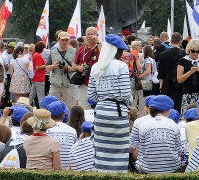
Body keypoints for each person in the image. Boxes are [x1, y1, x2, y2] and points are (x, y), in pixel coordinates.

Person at [88, 34, 132, 172]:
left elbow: (91, 96)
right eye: (121, 51)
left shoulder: (96, 67)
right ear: (115, 50)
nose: (122, 54)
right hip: (117, 111)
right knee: (119, 149)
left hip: (101, 111)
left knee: (101, 149)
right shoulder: (121, 66)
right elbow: (126, 94)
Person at [134, 95, 181, 174]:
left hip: (147, 169)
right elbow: (178, 150)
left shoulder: (143, 125)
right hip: (171, 169)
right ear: (166, 110)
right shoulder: (174, 125)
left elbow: (141, 150)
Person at [177, 40, 199, 114]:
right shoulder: (182, 61)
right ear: (189, 50)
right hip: (189, 94)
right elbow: (179, 79)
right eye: (193, 51)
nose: (195, 53)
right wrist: (190, 72)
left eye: (198, 51)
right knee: (189, 115)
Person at [45, 32, 77, 108]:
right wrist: (53, 66)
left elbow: (77, 68)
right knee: (52, 106)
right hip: (55, 83)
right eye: (62, 40)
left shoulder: (74, 51)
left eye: (66, 40)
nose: (64, 42)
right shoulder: (53, 52)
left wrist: (67, 68)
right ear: (58, 40)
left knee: (69, 107)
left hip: (69, 83)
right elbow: (47, 68)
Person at [72, 27, 100, 110]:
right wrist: (79, 67)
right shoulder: (81, 49)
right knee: (84, 106)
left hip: (98, 82)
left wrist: (98, 42)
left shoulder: (100, 47)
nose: (90, 36)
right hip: (84, 81)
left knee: (98, 107)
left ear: (97, 35)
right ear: (85, 35)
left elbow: (104, 56)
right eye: (88, 34)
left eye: (93, 34)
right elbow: (74, 64)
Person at [157, 32, 185, 113]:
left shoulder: (163, 54)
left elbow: (161, 73)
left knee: (166, 108)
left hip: (166, 84)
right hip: (180, 85)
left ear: (171, 41)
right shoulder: (183, 54)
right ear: (180, 41)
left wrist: (161, 87)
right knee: (178, 107)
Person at [46, 100, 78, 169]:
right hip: (68, 170)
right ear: (64, 114)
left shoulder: (46, 131)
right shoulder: (72, 131)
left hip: (50, 170)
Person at [28, 41, 47, 109]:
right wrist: (45, 65)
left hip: (34, 77)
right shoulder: (38, 55)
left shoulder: (34, 54)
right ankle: (42, 110)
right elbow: (38, 67)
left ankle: (26, 106)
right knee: (41, 95)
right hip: (39, 78)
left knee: (32, 94)